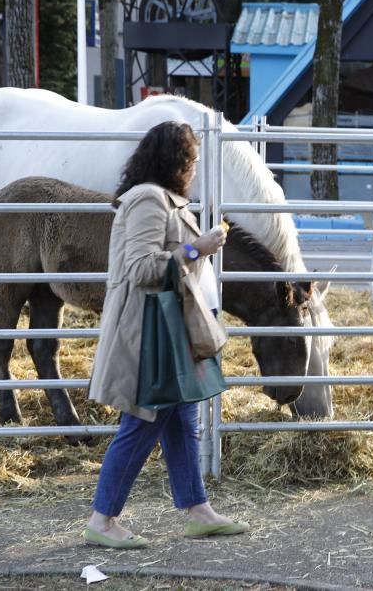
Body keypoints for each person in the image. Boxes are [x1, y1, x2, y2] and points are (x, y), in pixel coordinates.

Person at [83, 121, 249, 549]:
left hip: (169, 332)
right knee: (143, 422)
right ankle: (102, 520)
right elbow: (140, 268)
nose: (193, 169)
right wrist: (198, 248)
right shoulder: (147, 202)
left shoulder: (164, 201)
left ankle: (198, 511)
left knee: (181, 420)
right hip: (150, 335)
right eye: (190, 161)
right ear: (173, 161)